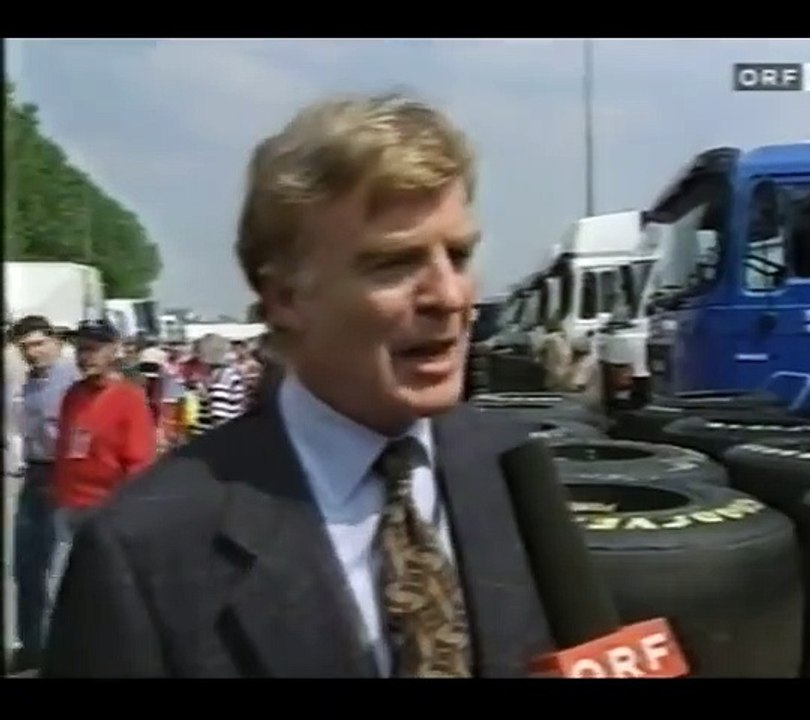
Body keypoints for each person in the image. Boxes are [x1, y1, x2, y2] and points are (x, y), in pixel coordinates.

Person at [42, 92, 555, 678]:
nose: (451, 296)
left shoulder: (517, 474)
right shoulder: (143, 553)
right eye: (394, 263)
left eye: (458, 255)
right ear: (286, 297)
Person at [44, 318, 157, 625]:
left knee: (106, 602)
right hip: (70, 510)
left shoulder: (129, 399)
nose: (86, 356)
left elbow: (140, 464)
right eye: (81, 349)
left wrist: (125, 516)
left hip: (107, 512)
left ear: (114, 351)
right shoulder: (73, 395)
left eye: (94, 349)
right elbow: (67, 448)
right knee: (60, 596)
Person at [8, 315, 81, 672]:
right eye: (25, 348)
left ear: (54, 341)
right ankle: (31, 647)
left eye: (38, 344)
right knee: (26, 567)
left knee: (57, 569)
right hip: (34, 474)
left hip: (63, 474)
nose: (32, 353)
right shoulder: (26, 383)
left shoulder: (72, 379)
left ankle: (59, 652)